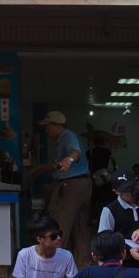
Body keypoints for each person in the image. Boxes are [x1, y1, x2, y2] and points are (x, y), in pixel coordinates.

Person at [29, 111, 92, 267]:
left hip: (71, 186)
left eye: (48, 127)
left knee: (57, 226)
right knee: (79, 230)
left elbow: (75, 152)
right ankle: (84, 269)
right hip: (83, 185)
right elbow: (57, 164)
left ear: (58, 126)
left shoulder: (68, 137)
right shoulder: (64, 139)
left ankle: (50, 267)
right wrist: (42, 168)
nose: (46, 131)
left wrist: (69, 159)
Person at [97, 167, 139, 271]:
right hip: (121, 261)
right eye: (126, 191)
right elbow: (104, 240)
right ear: (116, 191)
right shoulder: (110, 210)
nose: (131, 193)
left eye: (132, 188)